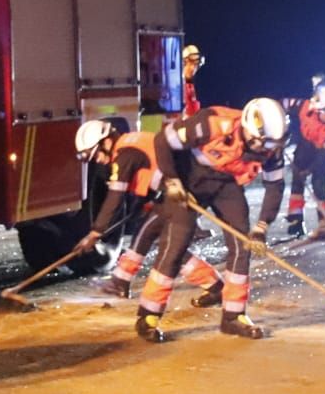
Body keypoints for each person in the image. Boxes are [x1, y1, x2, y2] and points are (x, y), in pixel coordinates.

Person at [139, 99, 289, 341]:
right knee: (176, 244)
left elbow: (275, 185)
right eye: (260, 146)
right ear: (248, 129)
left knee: (242, 244)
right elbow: (162, 140)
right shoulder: (211, 123)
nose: (264, 153)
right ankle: (148, 315)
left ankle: (233, 316)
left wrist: (262, 227)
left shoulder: (272, 146)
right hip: (189, 179)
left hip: (225, 183)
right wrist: (172, 180)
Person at [70, 121, 223, 303]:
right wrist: (140, 206)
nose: (98, 161)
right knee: (146, 231)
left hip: (185, 191)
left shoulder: (124, 155)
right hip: (179, 189)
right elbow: (150, 172)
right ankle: (120, 282)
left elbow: (115, 198)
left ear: (107, 142)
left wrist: (96, 232)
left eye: (96, 155)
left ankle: (216, 287)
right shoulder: (129, 144)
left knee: (169, 247)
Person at [284, 85, 325, 239]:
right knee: (297, 185)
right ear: (318, 108)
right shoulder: (305, 107)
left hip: (321, 156)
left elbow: (324, 155)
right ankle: (296, 221)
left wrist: (309, 169)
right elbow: (284, 104)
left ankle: (323, 222)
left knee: (318, 186)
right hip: (304, 149)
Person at [181, 44, 204, 116]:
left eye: (196, 65)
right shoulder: (177, 87)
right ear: (183, 63)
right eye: (191, 64)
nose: (193, 68)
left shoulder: (189, 86)